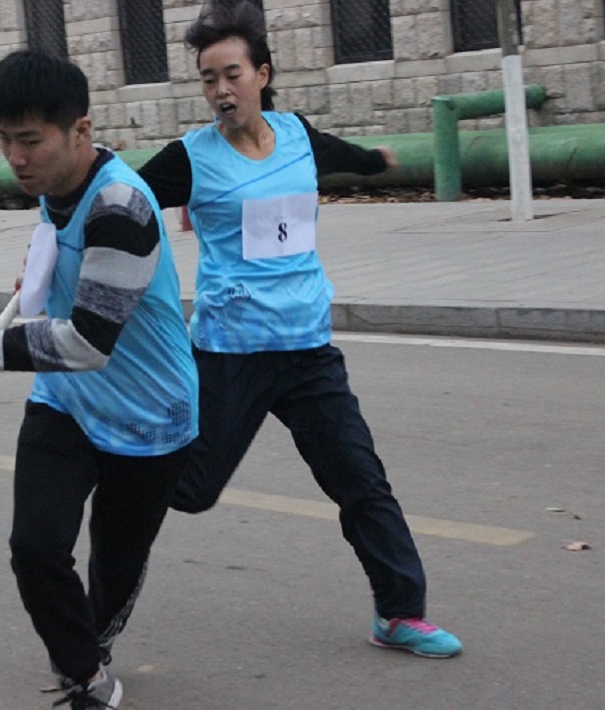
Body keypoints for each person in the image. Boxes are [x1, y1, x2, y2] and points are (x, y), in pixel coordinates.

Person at [137, 0, 462, 658]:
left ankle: (399, 614)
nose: (220, 90)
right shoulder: (191, 158)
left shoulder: (296, 136)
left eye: (231, 75)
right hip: (231, 353)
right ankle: (115, 458)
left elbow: (337, 155)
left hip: (309, 351)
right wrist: (59, 234)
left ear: (261, 74)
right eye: (208, 79)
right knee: (193, 491)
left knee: (361, 481)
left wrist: (375, 160)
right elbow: (122, 198)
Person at [0, 50, 198, 708]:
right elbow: (67, 267)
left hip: (149, 416)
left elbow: (88, 341)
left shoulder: (120, 205)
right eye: (5, 139)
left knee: (114, 568)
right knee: (35, 547)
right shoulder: (55, 188)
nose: (15, 157)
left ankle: (92, 644)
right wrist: (45, 278)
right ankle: (87, 676)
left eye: (30, 140)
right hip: (66, 402)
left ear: (80, 130)